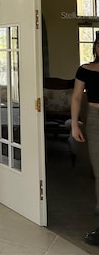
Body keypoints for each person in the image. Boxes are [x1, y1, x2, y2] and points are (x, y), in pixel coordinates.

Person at [71, 32, 99, 246]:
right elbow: (77, 97)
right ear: (95, 47)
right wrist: (74, 124)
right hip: (95, 119)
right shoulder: (85, 69)